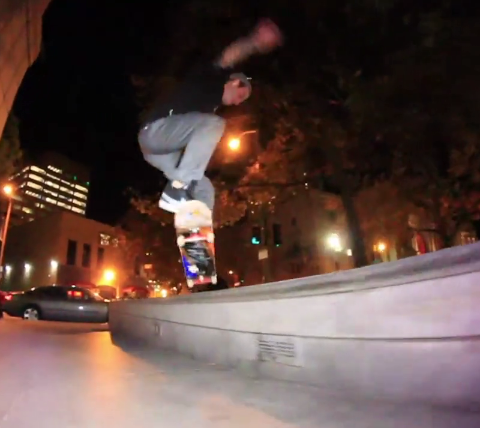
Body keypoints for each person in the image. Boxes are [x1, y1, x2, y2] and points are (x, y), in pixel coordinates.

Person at [138, 19, 283, 213]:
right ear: (234, 82)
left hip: (160, 153)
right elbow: (229, 56)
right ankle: (177, 190)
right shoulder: (210, 78)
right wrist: (254, 42)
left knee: (204, 188)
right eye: (240, 96)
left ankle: (196, 229)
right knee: (214, 124)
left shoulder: (209, 108)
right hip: (156, 131)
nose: (238, 102)